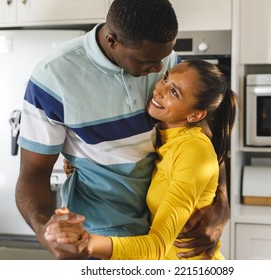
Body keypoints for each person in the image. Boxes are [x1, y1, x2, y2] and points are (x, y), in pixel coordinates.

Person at [15, 0, 229, 260]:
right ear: (112, 41)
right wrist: (45, 232)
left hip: (160, 242)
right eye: (149, 62)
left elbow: (203, 136)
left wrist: (221, 203)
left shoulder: (165, 60)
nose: (158, 70)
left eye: (164, 61)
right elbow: (33, 174)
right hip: (100, 240)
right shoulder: (53, 78)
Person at [45, 59, 237, 260]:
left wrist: (87, 243)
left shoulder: (193, 150)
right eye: (165, 79)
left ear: (195, 115)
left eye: (174, 92)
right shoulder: (162, 135)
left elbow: (156, 247)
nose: (159, 90)